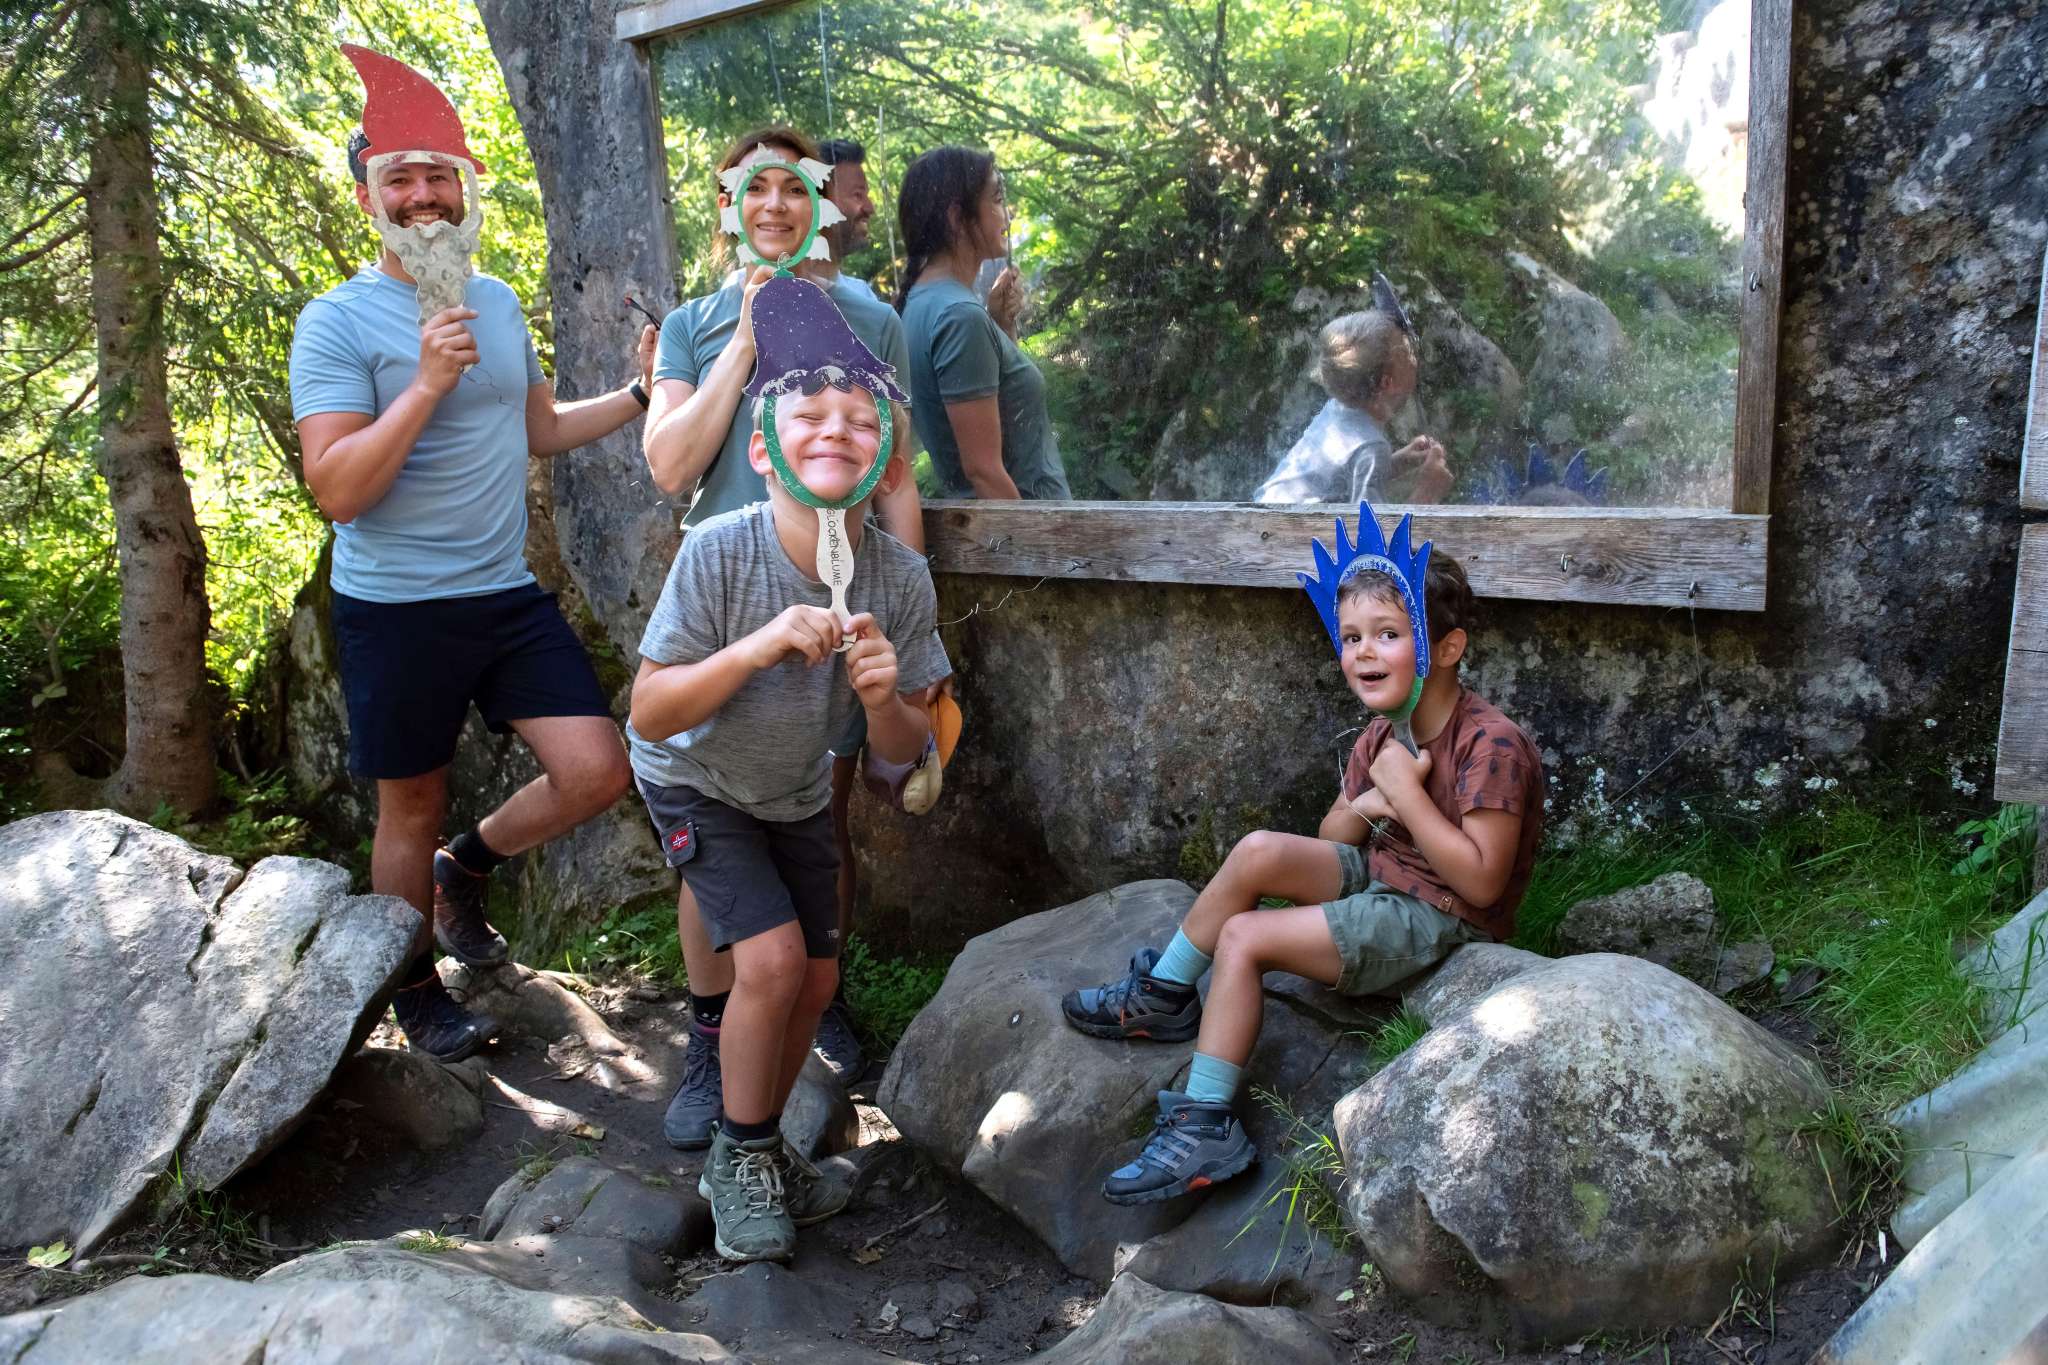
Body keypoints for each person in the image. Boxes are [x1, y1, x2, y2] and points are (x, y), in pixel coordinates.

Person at [291, 46, 651, 1061]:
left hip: (502, 595)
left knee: (597, 768)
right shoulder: (335, 322)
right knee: (409, 804)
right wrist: (423, 385)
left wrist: (640, 396)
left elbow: (538, 427)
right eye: (399, 178)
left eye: (437, 175)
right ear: (367, 196)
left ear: (464, 188)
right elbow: (337, 489)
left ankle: (465, 870)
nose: (422, 195)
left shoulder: (491, 300)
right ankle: (410, 984)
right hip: (396, 606)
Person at [1059, 539, 1542, 1204]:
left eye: (1387, 634)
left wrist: (1406, 796)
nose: (1363, 652)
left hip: (1439, 913)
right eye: (1351, 637)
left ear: (1448, 647)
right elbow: (1331, 835)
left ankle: (1204, 1123)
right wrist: (1372, 802)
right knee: (1259, 849)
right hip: (1383, 872)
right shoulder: (1384, 731)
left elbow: (1482, 884)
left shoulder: (1491, 744)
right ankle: (1165, 994)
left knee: (1244, 938)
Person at [627, 297, 950, 1259]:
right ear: (764, 452)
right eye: (810, 415)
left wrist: (886, 701)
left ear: (888, 459)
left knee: (814, 976)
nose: (836, 430)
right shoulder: (720, 552)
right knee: (766, 963)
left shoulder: (899, 580)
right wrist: (758, 646)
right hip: (695, 777)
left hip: (795, 789)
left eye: (861, 419)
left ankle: (757, 1146)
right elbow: (649, 711)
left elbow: (901, 757)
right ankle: (742, 1158)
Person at [641, 126, 925, 1143]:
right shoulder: (692, 324)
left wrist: (908, 597)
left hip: (841, 592)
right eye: (753, 189)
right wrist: (747, 342)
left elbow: (897, 467)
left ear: (820, 203)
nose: (774, 208)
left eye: (792, 189)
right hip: (727, 593)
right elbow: (669, 464)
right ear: (728, 205)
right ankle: (709, 1030)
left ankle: (812, 993)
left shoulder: (871, 318)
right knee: (719, 810)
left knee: (818, 804)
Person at [896, 146, 1072, 500]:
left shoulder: (924, 301)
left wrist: (1001, 325)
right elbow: (984, 473)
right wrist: (1035, 534)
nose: (1007, 214)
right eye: (996, 199)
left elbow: (1005, 418)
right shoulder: (959, 316)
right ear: (957, 218)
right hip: (1026, 527)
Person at [1253, 310, 1454, 505]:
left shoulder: (1338, 409)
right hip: (1282, 527)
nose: (1415, 360)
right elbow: (1371, 527)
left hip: (1266, 513)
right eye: (1408, 353)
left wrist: (1397, 463)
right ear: (1387, 383)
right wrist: (1427, 493)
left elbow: (1339, 477)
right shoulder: (1370, 447)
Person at [818, 138, 879, 302]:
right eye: (857, 195)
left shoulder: (864, 297)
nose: (870, 208)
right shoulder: (761, 293)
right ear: (819, 200)